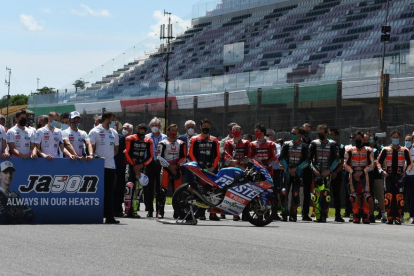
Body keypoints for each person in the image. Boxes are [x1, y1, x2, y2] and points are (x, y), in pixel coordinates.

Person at [89, 111, 120, 224]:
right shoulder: (95, 131)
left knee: (110, 192)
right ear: (107, 119)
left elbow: (116, 149)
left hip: (111, 166)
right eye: (112, 119)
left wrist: (109, 157)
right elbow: (91, 147)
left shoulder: (114, 132)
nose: (114, 121)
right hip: (98, 166)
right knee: (97, 191)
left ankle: (109, 216)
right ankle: (96, 214)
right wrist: (97, 157)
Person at [377, 130, 413, 225]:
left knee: (399, 197)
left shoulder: (404, 150)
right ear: (390, 138)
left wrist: (405, 173)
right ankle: (390, 217)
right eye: (394, 137)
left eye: (397, 137)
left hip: (400, 176)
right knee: (388, 197)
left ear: (399, 138)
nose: (395, 139)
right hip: (388, 176)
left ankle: (398, 217)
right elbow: (378, 162)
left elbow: (410, 163)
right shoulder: (385, 149)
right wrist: (382, 171)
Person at [189, 118, 220, 221]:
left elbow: (217, 155)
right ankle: (200, 212)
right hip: (199, 169)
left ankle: (213, 213)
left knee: (213, 191)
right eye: (204, 126)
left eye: (207, 126)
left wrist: (213, 167)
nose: (206, 127)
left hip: (211, 169)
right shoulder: (194, 139)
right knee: (200, 191)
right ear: (200, 127)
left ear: (209, 127)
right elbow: (191, 154)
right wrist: (197, 166)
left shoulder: (214, 139)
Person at [308, 124, 339, 223]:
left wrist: (329, 171)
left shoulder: (333, 144)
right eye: (318, 133)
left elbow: (337, 160)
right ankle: (317, 215)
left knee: (326, 194)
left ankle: (324, 215)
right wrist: (314, 169)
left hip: (327, 172)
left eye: (322, 133)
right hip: (316, 172)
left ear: (327, 133)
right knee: (316, 194)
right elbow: (308, 159)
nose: (320, 135)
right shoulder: (313, 143)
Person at [279, 126, 308, 222]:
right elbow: (281, 158)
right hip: (287, 172)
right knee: (284, 192)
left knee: (295, 194)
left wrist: (296, 169)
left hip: (298, 173)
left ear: (299, 134)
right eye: (291, 133)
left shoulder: (304, 146)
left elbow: (307, 160)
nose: (292, 135)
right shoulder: (286, 144)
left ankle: (293, 214)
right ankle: (284, 213)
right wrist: (288, 169)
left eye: (294, 133)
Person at [124, 123, 154, 218]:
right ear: (137, 130)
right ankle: (127, 211)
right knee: (129, 186)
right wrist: (134, 165)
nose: (141, 134)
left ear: (145, 132)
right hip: (131, 165)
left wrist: (141, 165)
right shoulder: (130, 138)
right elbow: (127, 153)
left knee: (138, 188)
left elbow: (150, 156)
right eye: (139, 132)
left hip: (141, 166)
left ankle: (135, 211)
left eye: (143, 132)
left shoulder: (149, 140)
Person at [344, 131, 374, 224]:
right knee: (353, 196)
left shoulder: (368, 150)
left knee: (367, 196)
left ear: (362, 139)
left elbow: (372, 164)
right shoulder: (349, 150)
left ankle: (366, 215)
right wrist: (353, 172)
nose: (357, 140)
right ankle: (356, 215)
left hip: (365, 174)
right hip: (352, 174)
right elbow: (345, 164)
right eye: (356, 139)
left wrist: (362, 172)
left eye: (359, 139)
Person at [157, 124, 186, 218]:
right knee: (163, 190)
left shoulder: (181, 143)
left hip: (177, 169)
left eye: (175, 130)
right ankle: (160, 211)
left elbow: (184, 157)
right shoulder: (162, 143)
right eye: (172, 130)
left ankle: (177, 212)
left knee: (177, 191)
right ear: (168, 132)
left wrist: (176, 166)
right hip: (166, 169)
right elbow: (159, 157)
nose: (173, 133)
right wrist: (169, 167)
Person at [223, 124, 250, 221]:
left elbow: (248, 156)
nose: (236, 132)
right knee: (232, 191)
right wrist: (231, 161)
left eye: (238, 130)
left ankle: (246, 213)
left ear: (241, 131)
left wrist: (238, 162)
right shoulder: (228, 143)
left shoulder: (246, 143)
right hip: (232, 170)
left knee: (244, 192)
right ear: (231, 131)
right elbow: (226, 155)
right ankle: (234, 213)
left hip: (244, 170)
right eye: (234, 130)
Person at [145, 117, 167, 218]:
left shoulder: (164, 137)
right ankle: (149, 209)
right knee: (149, 188)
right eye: (153, 125)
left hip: (161, 164)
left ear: (160, 127)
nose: (155, 127)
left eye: (156, 125)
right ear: (150, 127)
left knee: (160, 188)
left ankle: (160, 210)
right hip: (150, 163)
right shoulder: (146, 137)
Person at [364, 133, 386, 223]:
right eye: (368, 139)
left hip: (377, 175)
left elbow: (379, 161)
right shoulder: (364, 149)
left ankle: (383, 215)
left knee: (380, 195)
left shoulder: (379, 148)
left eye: (371, 138)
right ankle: (370, 214)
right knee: (370, 196)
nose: (369, 140)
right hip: (367, 175)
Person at [328, 128, 345, 222]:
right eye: (329, 134)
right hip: (325, 173)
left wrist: (335, 172)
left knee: (336, 195)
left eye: (332, 135)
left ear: (336, 136)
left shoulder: (341, 146)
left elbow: (342, 162)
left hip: (336, 174)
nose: (330, 136)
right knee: (324, 193)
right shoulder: (325, 145)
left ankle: (337, 214)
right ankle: (322, 213)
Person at [178, 120, 197, 185]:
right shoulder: (180, 139)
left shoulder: (199, 138)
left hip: (196, 166)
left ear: (195, 128)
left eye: (192, 127)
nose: (190, 129)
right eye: (188, 127)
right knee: (185, 185)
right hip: (184, 166)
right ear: (185, 128)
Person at [301, 123, 313, 221]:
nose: (306, 133)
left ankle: (305, 213)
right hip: (295, 168)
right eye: (305, 131)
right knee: (292, 190)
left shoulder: (312, 143)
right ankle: (289, 212)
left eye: (308, 131)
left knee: (307, 191)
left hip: (307, 169)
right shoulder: (296, 142)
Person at [405, 134, 414, 224]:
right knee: (402, 196)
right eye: (406, 140)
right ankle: (400, 215)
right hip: (403, 176)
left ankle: (412, 216)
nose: (407, 142)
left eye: (409, 140)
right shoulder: (402, 150)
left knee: (412, 197)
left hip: (412, 176)